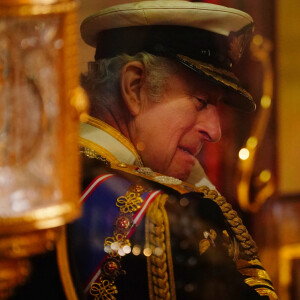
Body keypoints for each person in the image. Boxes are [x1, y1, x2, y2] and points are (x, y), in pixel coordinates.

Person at [57, 1, 278, 300]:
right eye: (201, 102)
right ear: (135, 88)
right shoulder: (163, 217)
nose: (215, 132)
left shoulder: (47, 178)